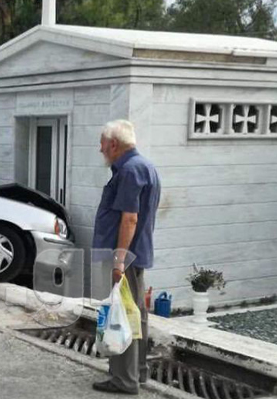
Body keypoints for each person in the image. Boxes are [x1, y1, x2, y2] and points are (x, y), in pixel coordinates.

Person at [92, 120, 161, 395]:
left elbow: (130, 219)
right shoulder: (144, 167)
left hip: (125, 256)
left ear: (113, 144)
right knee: (136, 314)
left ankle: (124, 379)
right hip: (136, 253)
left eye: (102, 143)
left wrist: (119, 260)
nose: (100, 149)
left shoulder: (130, 170)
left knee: (122, 315)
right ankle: (137, 373)